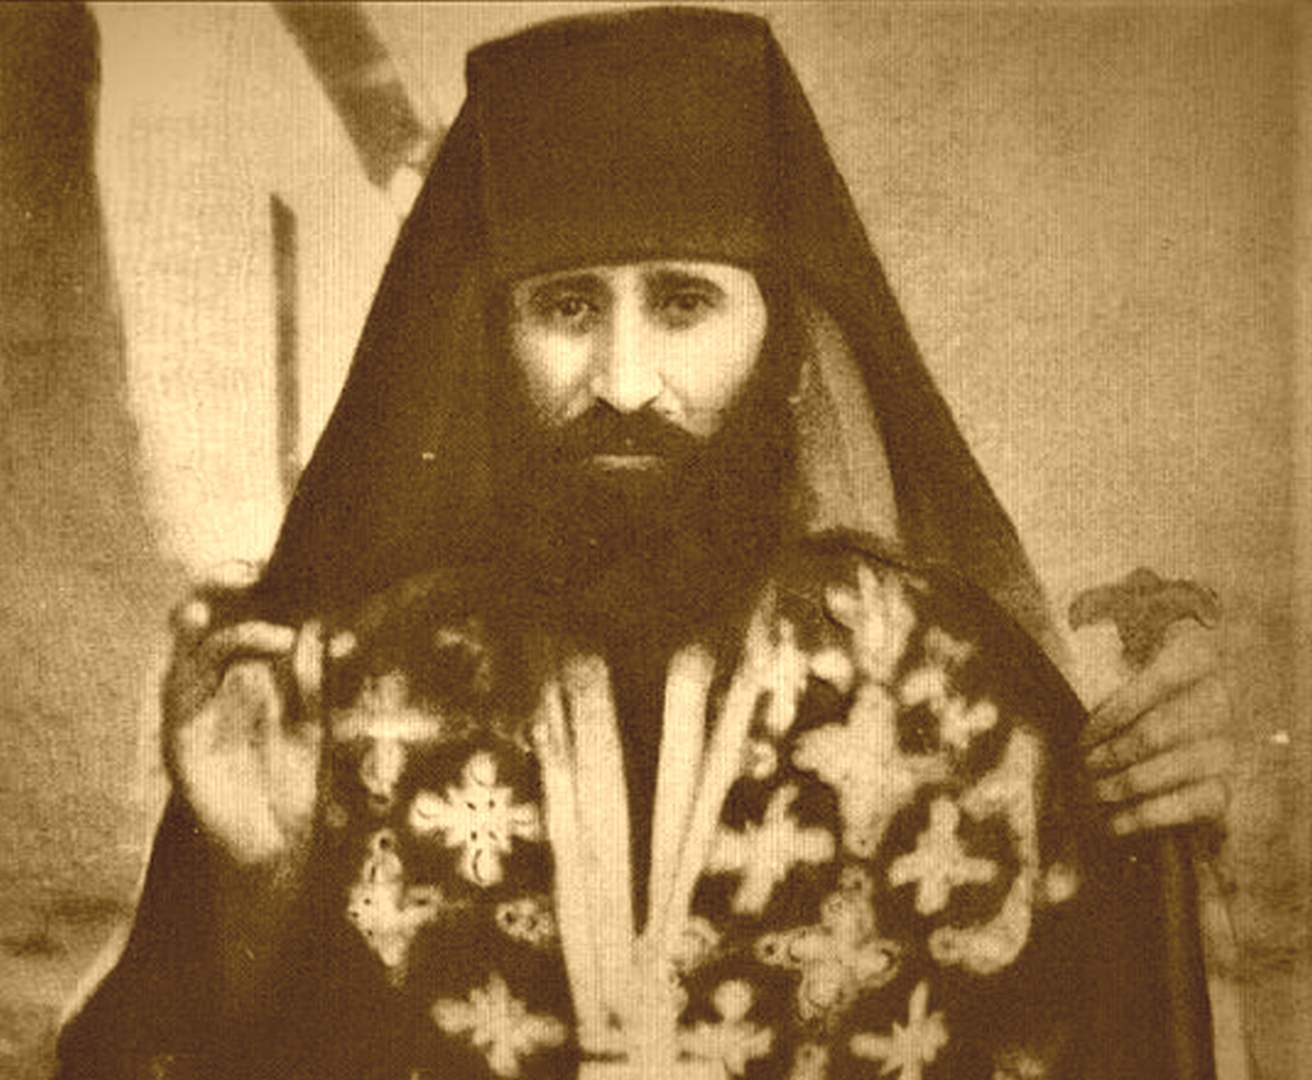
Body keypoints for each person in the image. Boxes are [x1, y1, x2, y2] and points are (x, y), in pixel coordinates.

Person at [57, 8, 1235, 1079]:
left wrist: (1179, 824)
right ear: (497, 339)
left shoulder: (960, 698)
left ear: (779, 339)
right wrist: (257, 899)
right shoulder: (352, 702)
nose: (623, 383)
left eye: (682, 304)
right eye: (567, 307)